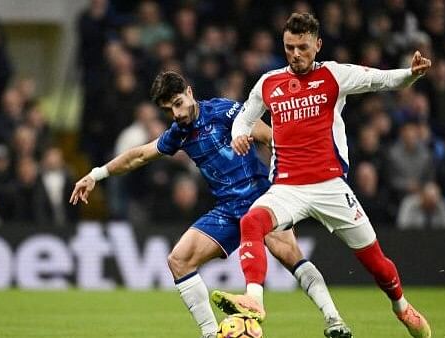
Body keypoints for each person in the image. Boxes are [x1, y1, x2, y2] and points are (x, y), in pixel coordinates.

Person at [69, 71, 351, 338]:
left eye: (179, 103)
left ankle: (334, 319)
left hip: (261, 199)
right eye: (169, 110)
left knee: (290, 255)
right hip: (228, 209)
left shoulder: (224, 111)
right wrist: (97, 174)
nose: (177, 114)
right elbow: (139, 155)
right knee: (178, 261)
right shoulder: (178, 133)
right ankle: (211, 334)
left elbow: (270, 137)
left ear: (189, 92)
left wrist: (294, 177)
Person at [212, 13, 432, 338]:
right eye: (289, 47)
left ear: (317, 44)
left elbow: (382, 80)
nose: (296, 54)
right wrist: (239, 137)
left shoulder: (334, 75)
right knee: (251, 222)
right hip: (287, 187)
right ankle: (254, 300)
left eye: (302, 47)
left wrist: (410, 74)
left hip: (330, 186)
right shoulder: (269, 83)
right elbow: (243, 119)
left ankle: (401, 306)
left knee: (376, 263)